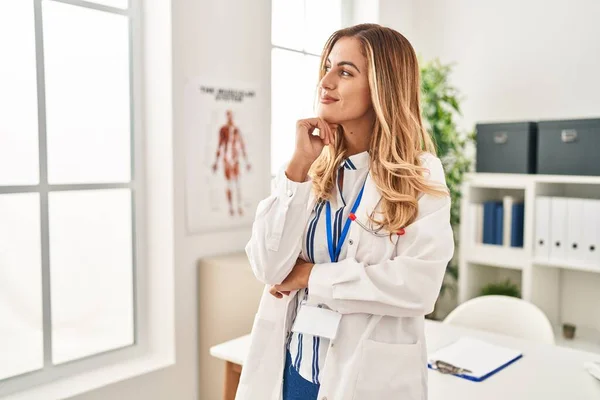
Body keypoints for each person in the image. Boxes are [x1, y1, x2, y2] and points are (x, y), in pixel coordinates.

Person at [237, 23, 454, 400]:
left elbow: (418, 287)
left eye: (345, 71)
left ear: (382, 87)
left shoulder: (419, 175)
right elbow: (268, 268)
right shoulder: (311, 169)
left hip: (364, 378)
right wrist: (298, 165)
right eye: (327, 67)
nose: (326, 81)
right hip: (294, 369)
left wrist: (310, 276)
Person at [212, 109, 252, 216]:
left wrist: (246, 161)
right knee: (229, 184)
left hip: (235, 159)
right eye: (228, 116)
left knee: (238, 184)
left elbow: (242, 145)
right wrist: (216, 162)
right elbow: (220, 145)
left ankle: (239, 206)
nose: (230, 118)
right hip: (226, 159)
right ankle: (230, 208)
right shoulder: (223, 130)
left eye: (231, 115)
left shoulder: (236, 130)